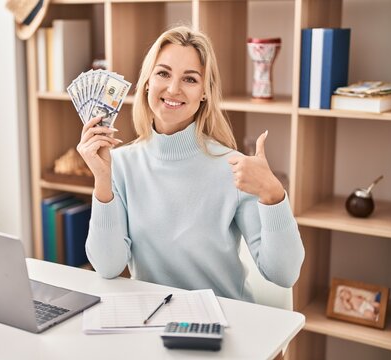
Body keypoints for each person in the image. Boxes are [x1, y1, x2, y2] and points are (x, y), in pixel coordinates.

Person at [76, 25, 304, 301]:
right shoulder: (120, 164)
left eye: (190, 79)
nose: (173, 89)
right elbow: (108, 266)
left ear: (205, 93)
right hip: (154, 322)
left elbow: (284, 274)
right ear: (147, 82)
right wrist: (102, 182)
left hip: (224, 324)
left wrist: (274, 194)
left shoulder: (235, 167)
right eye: (163, 73)